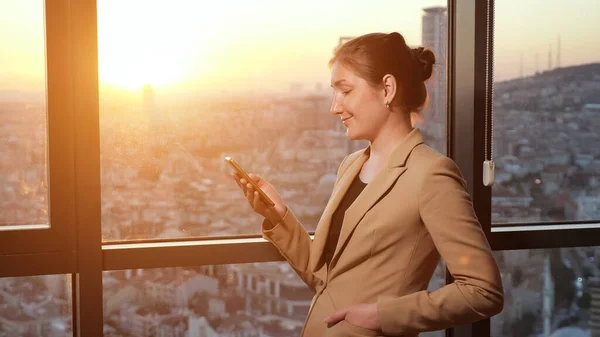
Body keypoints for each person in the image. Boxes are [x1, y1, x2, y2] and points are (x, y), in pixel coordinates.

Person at [231, 32, 503, 337]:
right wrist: (279, 216)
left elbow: (483, 290)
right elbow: (327, 281)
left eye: (345, 91)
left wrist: (383, 315)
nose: (335, 107)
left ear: (387, 89)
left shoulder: (432, 175)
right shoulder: (351, 166)